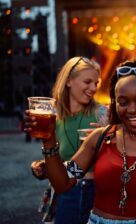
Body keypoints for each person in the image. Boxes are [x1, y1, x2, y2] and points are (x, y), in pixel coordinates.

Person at [25, 58, 136, 224]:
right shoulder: (99, 138)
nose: (132, 109)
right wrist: (49, 140)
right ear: (115, 103)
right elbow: (62, 184)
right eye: (123, 102)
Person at [29, 56, 108, 223]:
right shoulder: (53, 116)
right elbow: (58, 159)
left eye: (96, 83)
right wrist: (43, 167)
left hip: (98, 192)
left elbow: (118, 157)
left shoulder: (102, 114)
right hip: (66, 194)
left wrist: (105, 142)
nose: (93, 88)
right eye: (87, 82)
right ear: (69, 81)